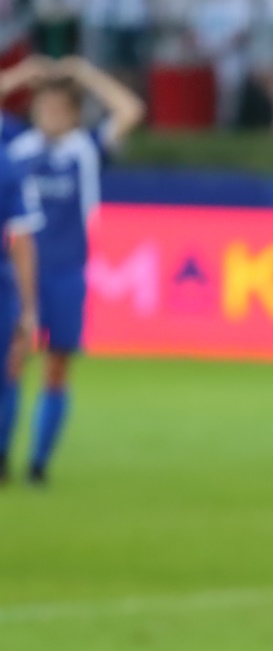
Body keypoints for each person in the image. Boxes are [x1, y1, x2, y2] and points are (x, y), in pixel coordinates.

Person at [0, 54, 145, 484]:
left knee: (57, 365)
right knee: (12, 362)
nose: (51, 114)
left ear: (74, 114)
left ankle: (39, 464)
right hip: (16, 274)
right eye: (45, 106)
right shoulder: (17, 146)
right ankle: (2, 456)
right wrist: (22, 74)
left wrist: (86, 73)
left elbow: (131, 111)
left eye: (60, 108)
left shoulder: (87, 150)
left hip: (66, 272)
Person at [0, 143, 42, 484]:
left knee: (8, 371)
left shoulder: (8, 166)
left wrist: (27, 309)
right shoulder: (9, 164)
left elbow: (22, 239)